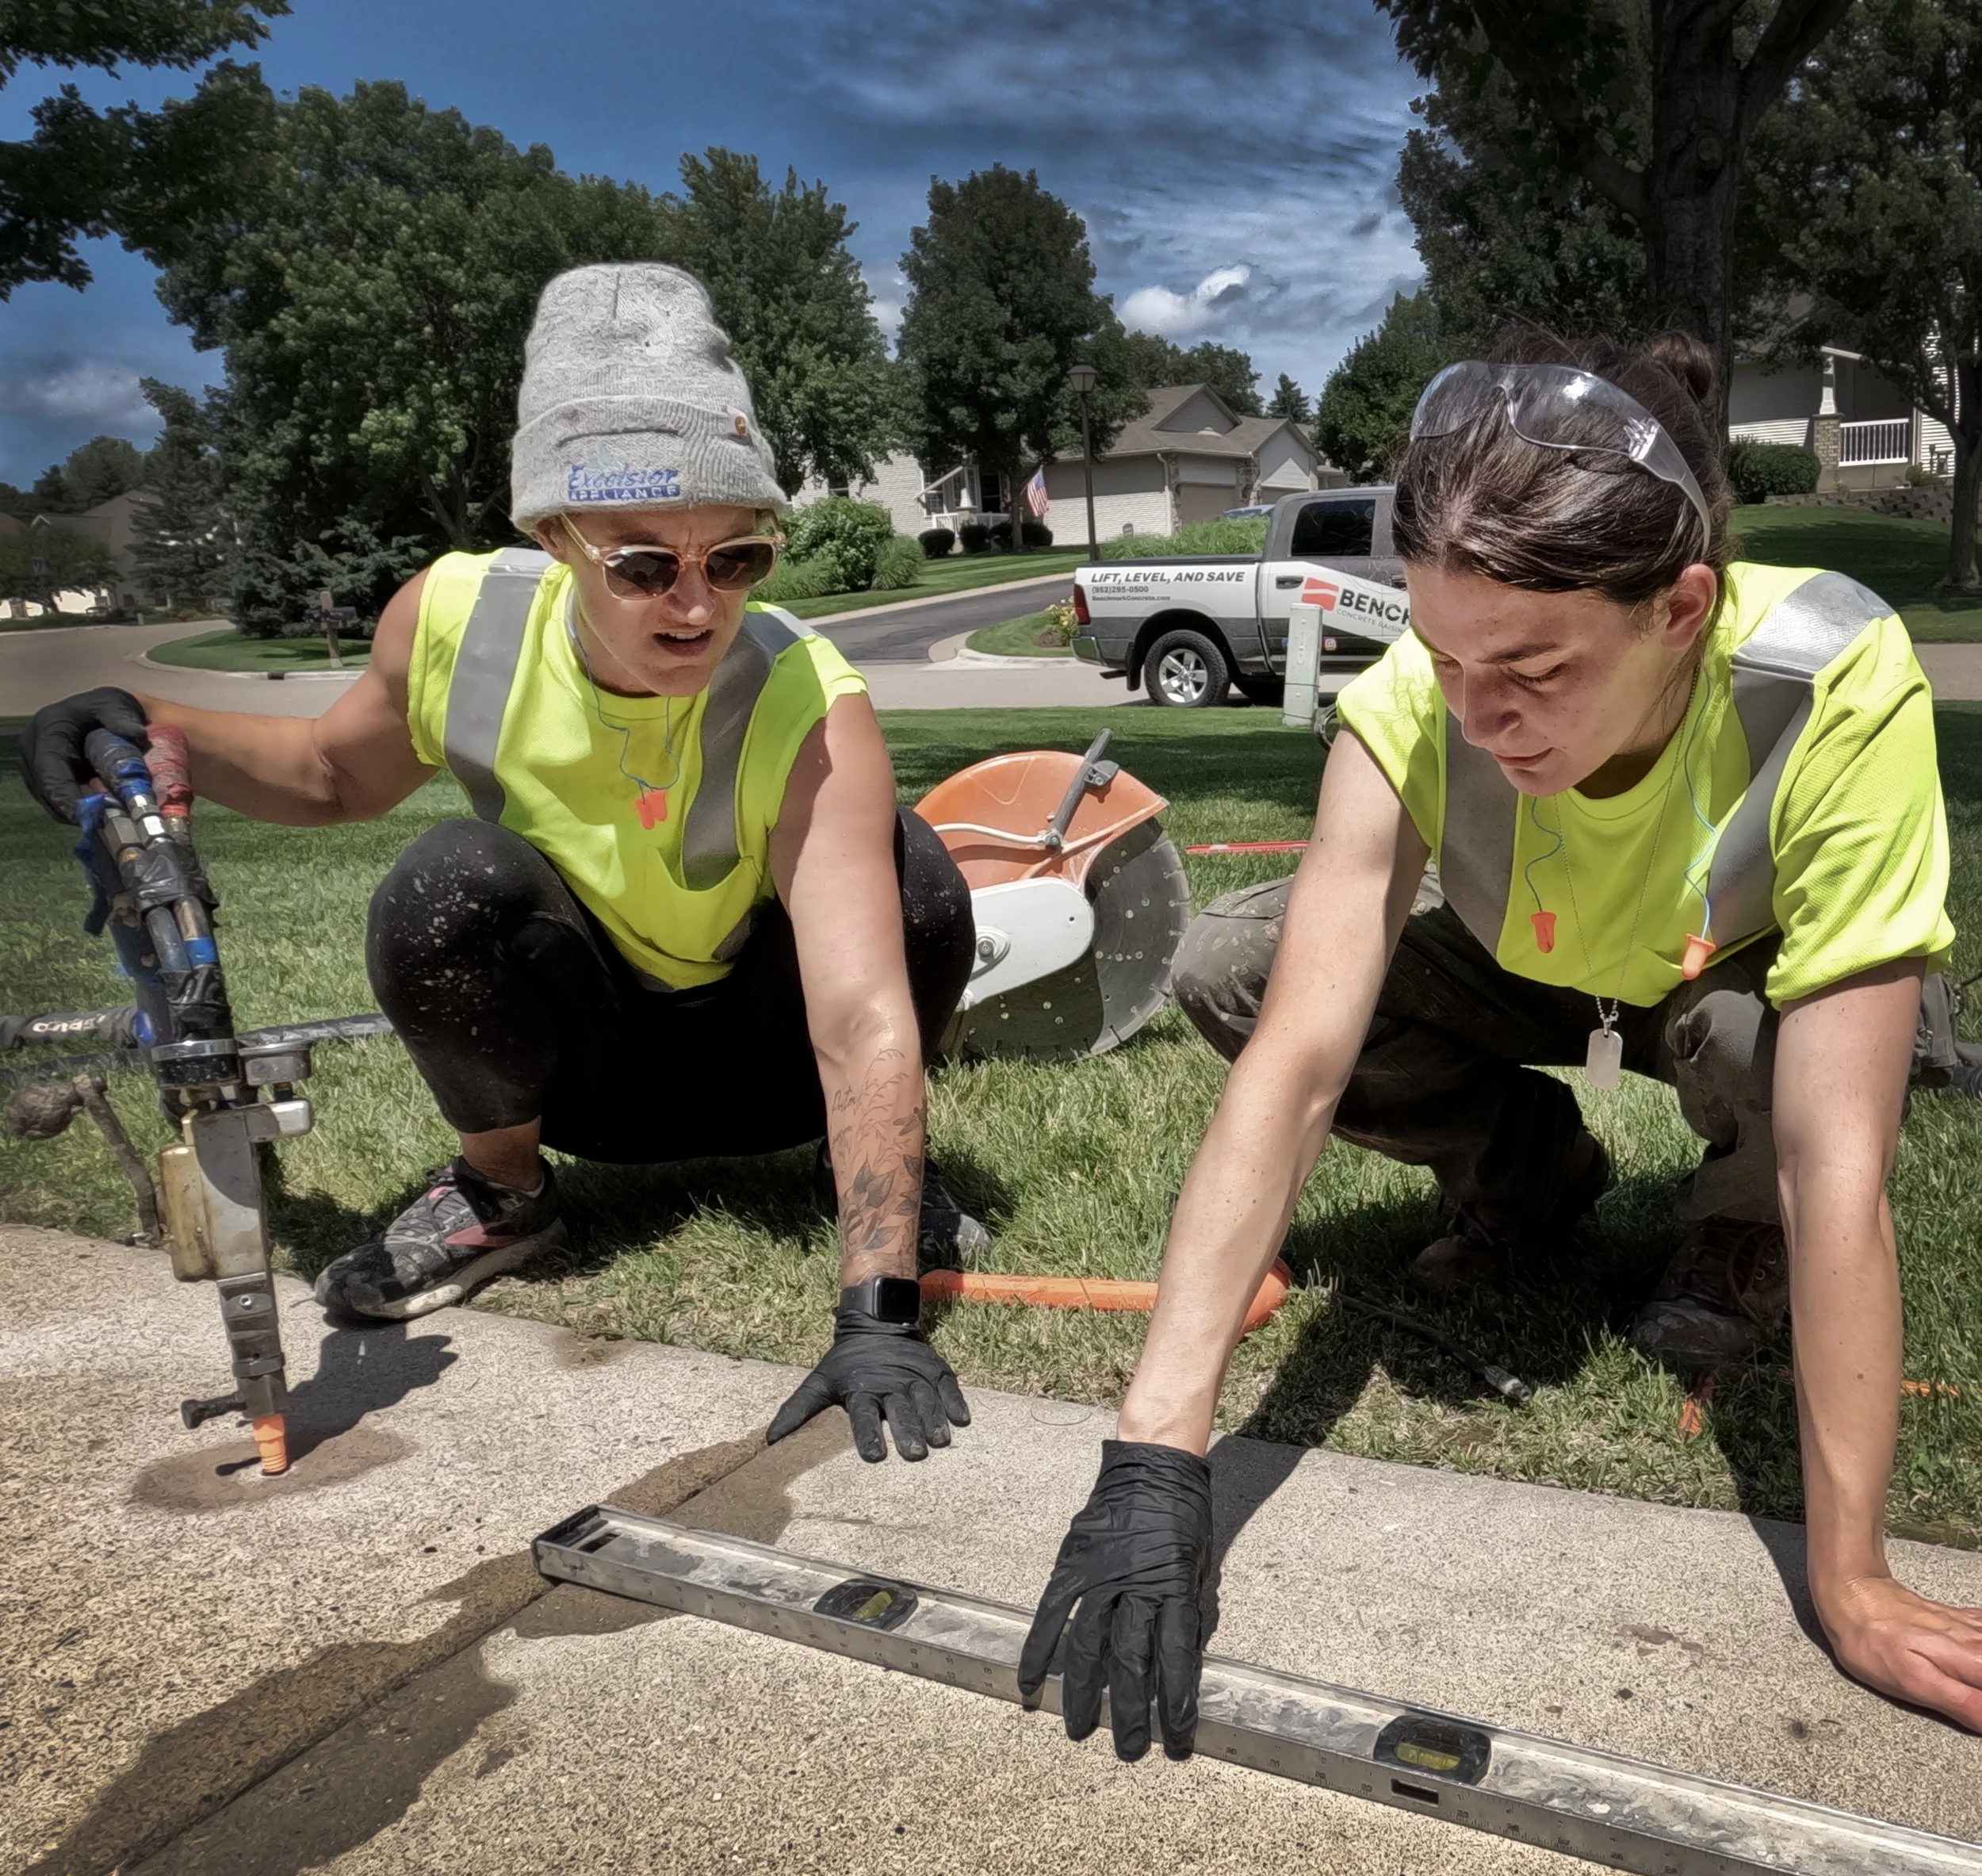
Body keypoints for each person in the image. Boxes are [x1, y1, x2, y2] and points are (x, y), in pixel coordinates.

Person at [1017, 330, 1982, 1759]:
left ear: (1680, 610)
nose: (1477, 716)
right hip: (1540, 965)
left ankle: (1730, 1231)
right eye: (1444, 651)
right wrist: (1152, 1461)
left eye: (1532, 667)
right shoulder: (1421, 700)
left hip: (1736, 977)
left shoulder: (1828, 673)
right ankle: (1534, 1176)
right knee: (1240, 964)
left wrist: (1853, 1582)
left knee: (1774, 1065)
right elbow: (1297, 1063)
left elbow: (1840, 1167)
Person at [22, 262, 985, 1464]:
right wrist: (148, 721)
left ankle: (887, 1191)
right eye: (645, 565)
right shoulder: (458, 620)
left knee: (915, 869)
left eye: (736, 559)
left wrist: (878, 1312)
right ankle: (504, 1193)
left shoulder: (806, 696)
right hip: (591, 1080)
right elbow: (330, 772)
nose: (697, 605)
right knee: (448, 878)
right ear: (552, 537)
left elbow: (856, 1010)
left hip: (769, 1068)